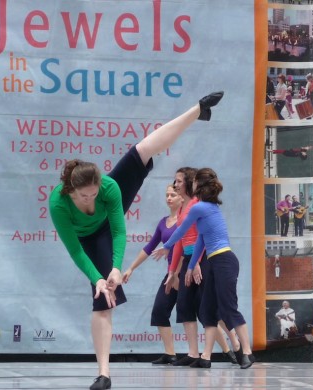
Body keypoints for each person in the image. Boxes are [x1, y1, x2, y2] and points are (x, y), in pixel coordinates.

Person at [49, 91, 224, 390]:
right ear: (71, 191)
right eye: (84, 196)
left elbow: (118, 231)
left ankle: (197, 110)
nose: (90, 199)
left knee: (141, 151)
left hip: (107, 230)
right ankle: (104, 373)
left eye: (94, 193)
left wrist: (117, 268)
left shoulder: (109, 188)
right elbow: (75, 250)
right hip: (89, 239)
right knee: (102, 298)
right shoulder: (58, 204)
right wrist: (99, 278)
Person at [153, 168, 255, 369]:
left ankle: (247, 352)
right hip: (213, 261)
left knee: (228, 308)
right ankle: (206, 357)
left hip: (224, 260)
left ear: (197, 185)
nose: (186, 184)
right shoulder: (204, 208)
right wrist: (191, 266)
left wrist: (166, 247)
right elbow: (200, 239)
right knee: (207, 311)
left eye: (190, 182)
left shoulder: (199, 208)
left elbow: (181, 231)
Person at [121, 184, 182, 365]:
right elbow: (149, 247)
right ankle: (170, 354)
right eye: (167, 195)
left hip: (185, 273)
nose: (169, 198)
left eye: (173, 194)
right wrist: (131, 268)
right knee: (159, 311)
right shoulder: (164, 222)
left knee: (205, 313)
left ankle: (233, 348)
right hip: (171, 274)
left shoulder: (186, 220)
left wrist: (178, 273)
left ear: (182, 198)